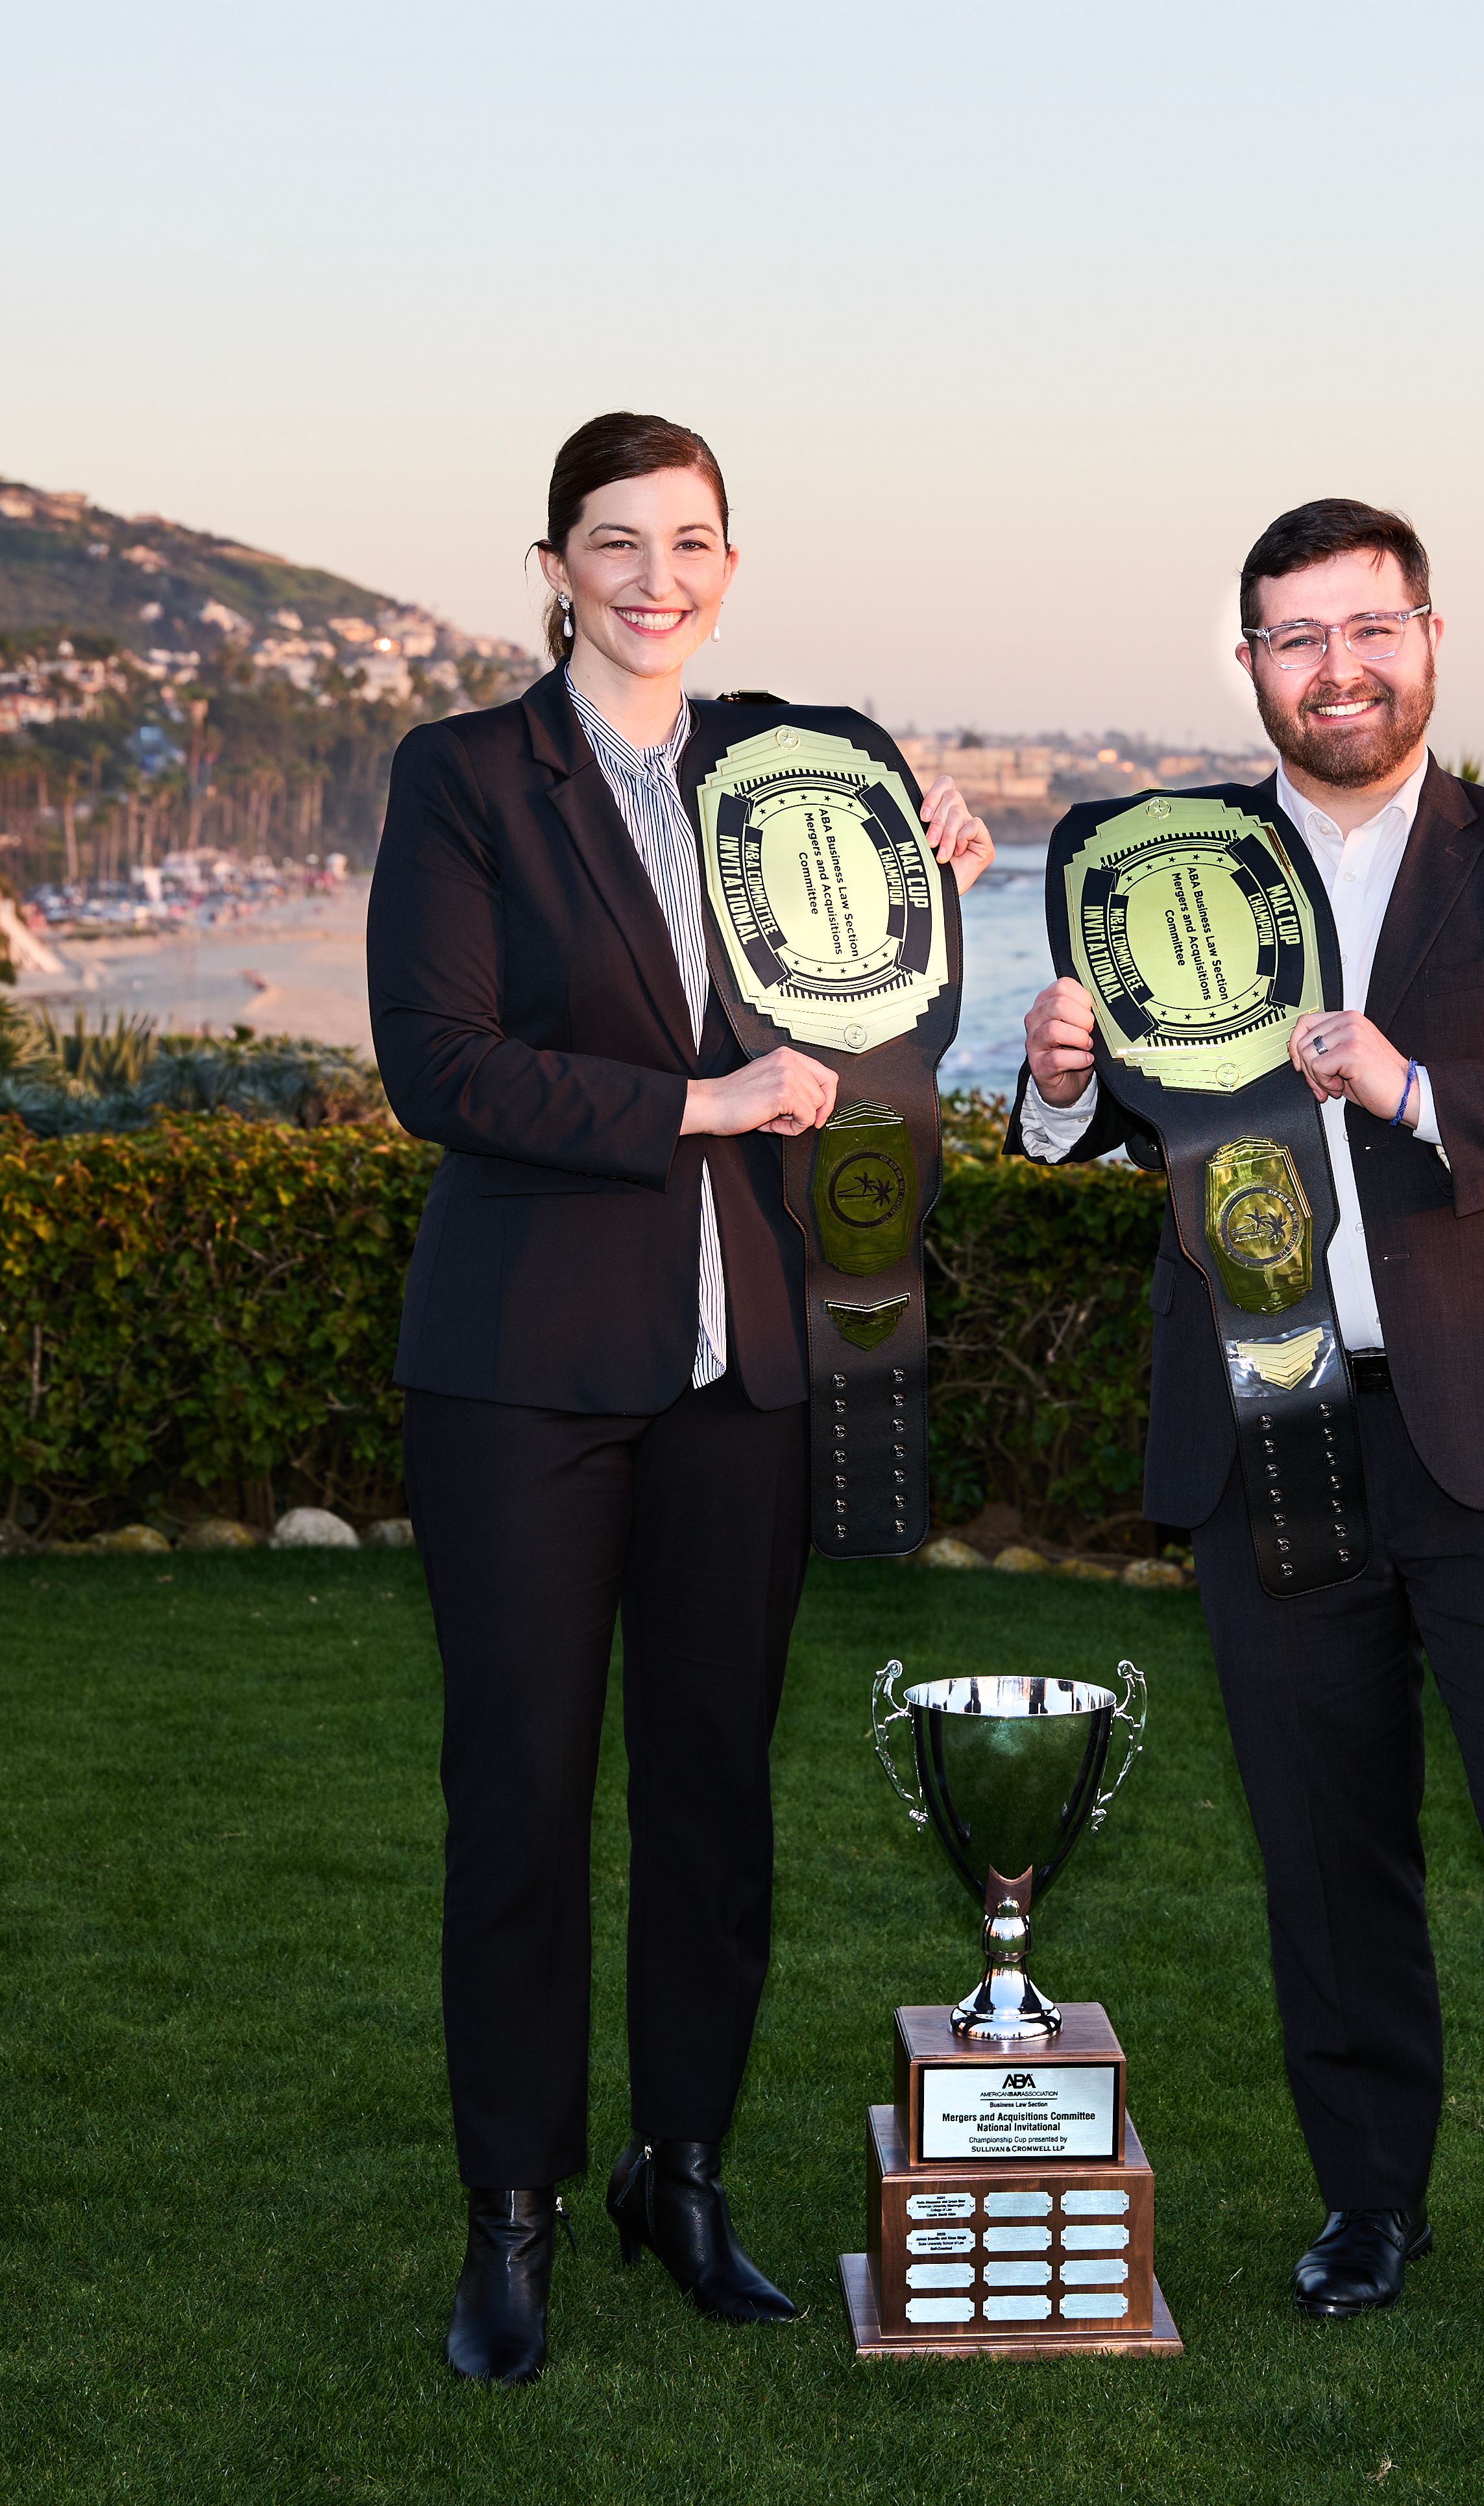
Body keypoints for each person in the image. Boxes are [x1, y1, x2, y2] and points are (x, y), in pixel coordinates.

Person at [1011, 499, 1484, 2360]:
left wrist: (1423, 1086)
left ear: (1430, 638)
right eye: (1295, 637)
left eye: (1367, 628)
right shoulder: (1159, 869)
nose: (1335, 667)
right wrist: (1052, 1091)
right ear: (1253, 665)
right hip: (1262, 1419)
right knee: (1323, 1847)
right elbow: (1118, 1109)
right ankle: (1370, 2206)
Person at [367, 410, 992, 2385]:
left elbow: (890, 1017)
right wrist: (696, 1103)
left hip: (752, 1369)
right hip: (524, 1377)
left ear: (734, 561)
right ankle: (514, 2217)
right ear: (552, 563)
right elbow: (444, 1069)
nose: (658, 573)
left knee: (718, 1797)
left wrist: (941, 878)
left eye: (694, 538)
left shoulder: (788, 759)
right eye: (617, 540)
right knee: (524, 1801)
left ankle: (683, 2174)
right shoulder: (465, 774)